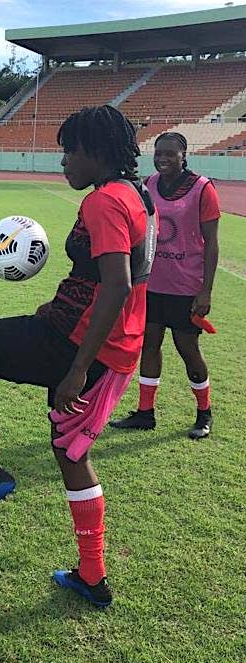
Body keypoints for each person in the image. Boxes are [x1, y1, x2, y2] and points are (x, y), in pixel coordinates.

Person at [0, 105, 156, 608]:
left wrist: (76, 368)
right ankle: (92, 576)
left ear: (95, 152)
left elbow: (118, 283)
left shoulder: (104, 202)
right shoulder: (137, 195)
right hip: (112, 347)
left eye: (69, 151)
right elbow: (111, 278)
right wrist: (60, 302)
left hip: (74, 346)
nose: (63, 162)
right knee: (69, 453)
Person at [110, 132, 220, 439]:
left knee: (187, 348)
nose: (164, 158)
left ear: (184, 155)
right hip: (153, 282)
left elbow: (211, 244)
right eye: (159, 153)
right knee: (150, 344)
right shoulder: (149, 185)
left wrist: (205, 290)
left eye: (171, 154)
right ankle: (146, 413)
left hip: (186, 286)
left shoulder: (202, 188)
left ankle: (204, 412)